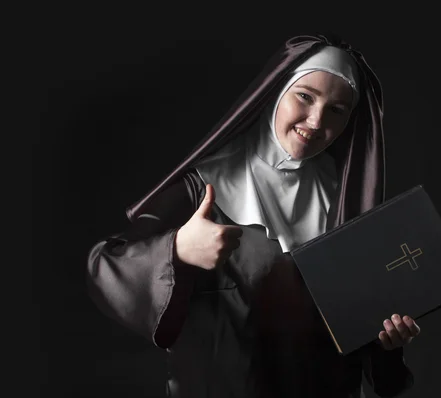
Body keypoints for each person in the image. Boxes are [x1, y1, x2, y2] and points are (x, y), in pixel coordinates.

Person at [86, 33, 421, 398]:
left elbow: (363, 340)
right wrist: (178, 248)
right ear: (277, 91)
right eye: (305, 96)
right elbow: (106, 263)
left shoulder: (344, 198)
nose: (315, 119)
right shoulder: (205, 185)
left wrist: (386, 343)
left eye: (337, 110)